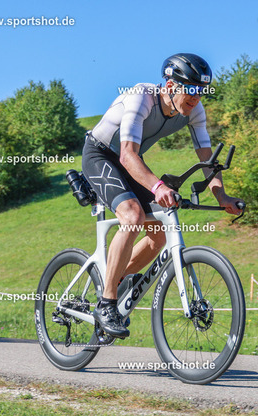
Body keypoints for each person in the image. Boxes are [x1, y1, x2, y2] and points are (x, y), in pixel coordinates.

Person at [82, 53, 244, 338]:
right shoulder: (141, 98)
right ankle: (106, 304)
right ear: (170, 86)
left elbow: (208, 161)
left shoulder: (194, 111)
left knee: (158, 235)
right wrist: (158, 187)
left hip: (130, 161)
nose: (196, 97)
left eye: (202, 90)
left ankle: (114, 282)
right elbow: (128, 155)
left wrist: (222, 197)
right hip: (101, 155)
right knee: (132, 216)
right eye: (191, 89)